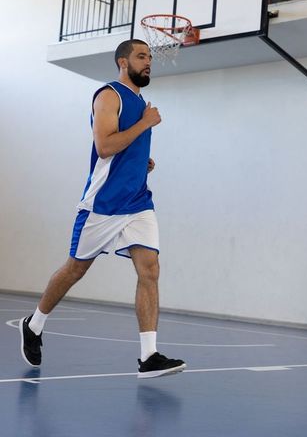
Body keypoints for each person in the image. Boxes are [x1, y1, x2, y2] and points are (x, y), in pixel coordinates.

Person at [19, 39, 186, 379]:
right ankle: (34, 324)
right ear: (123, 62)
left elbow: (124, 150)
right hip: (103, 205)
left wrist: (142, 162)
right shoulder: (109, 95)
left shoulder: (140, 101)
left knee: (150, 269)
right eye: (142, 56)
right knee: (74, 270)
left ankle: (148, 356)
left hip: (138, 202)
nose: (148, 62)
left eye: (150, 57)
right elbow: (105, 146)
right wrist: (145, 124)